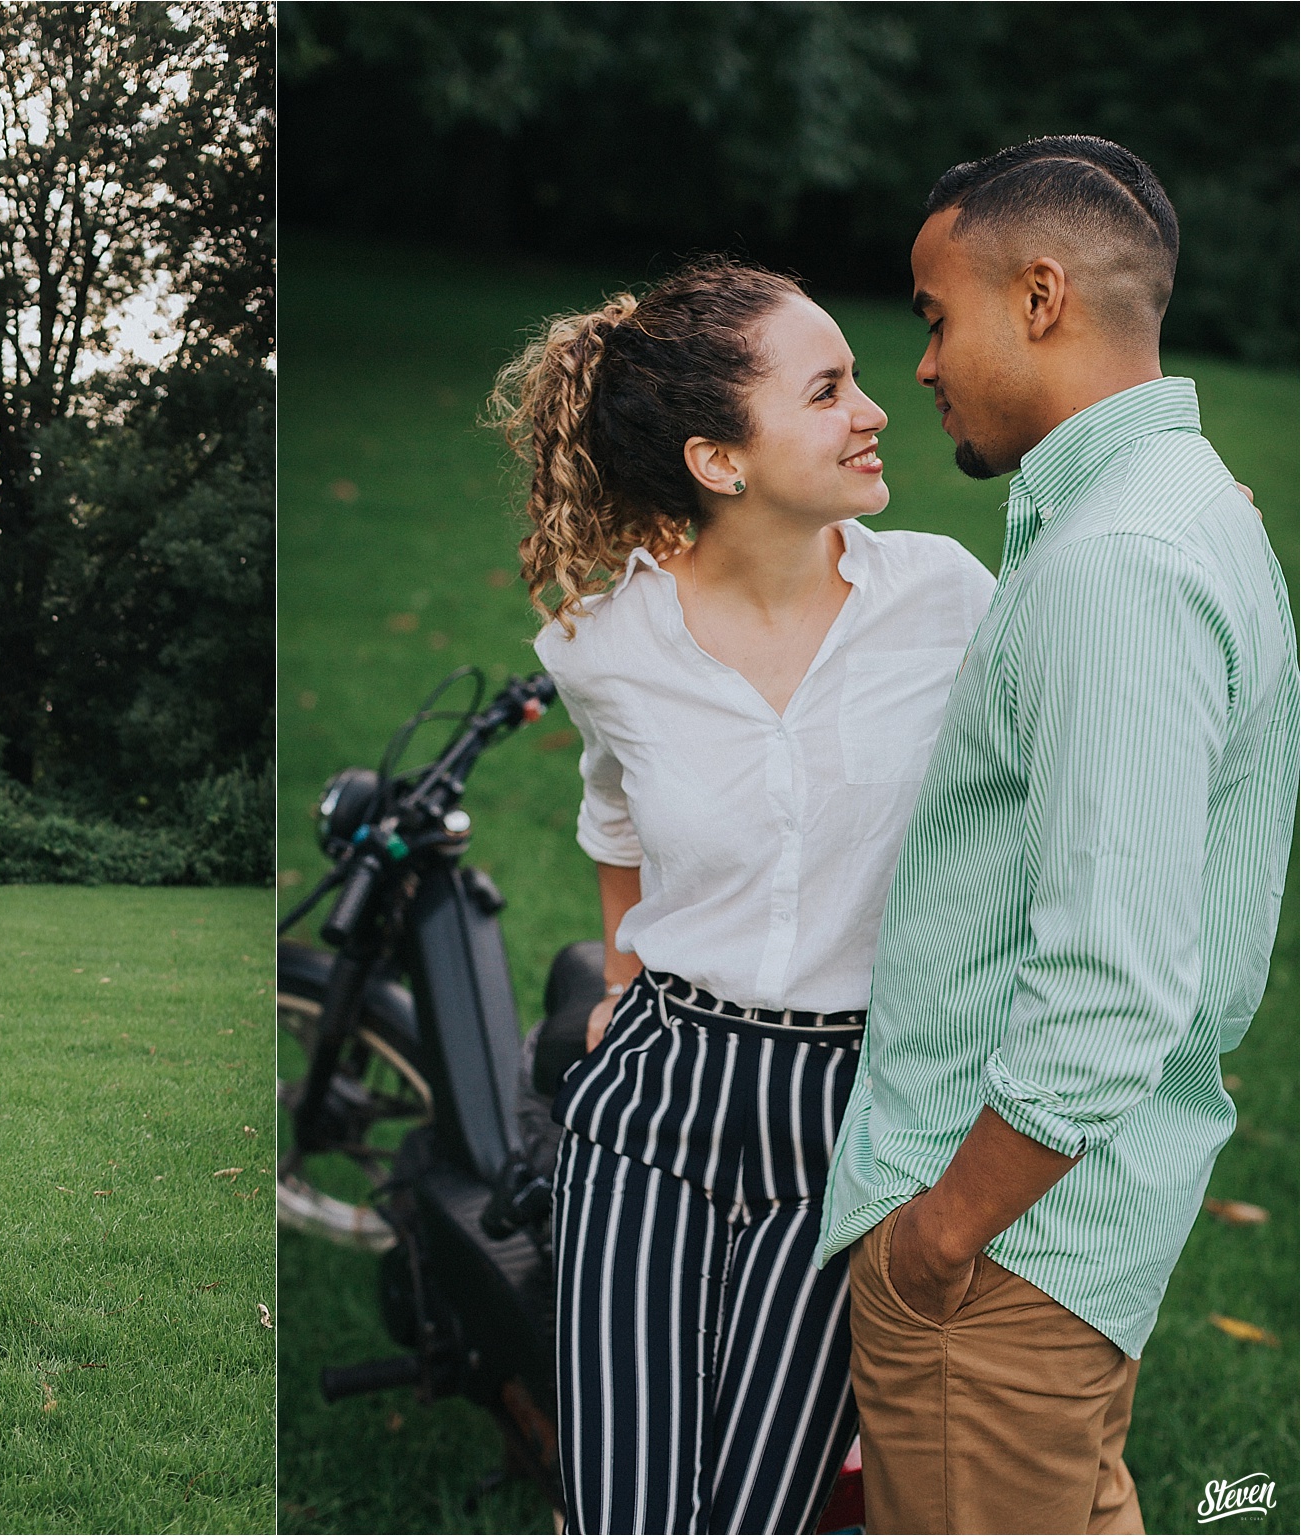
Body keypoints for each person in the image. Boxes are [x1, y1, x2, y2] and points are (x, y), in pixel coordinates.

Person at [818, 136, 1299, 1535]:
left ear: (1038, 299)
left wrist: (935, 1241)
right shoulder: (1172, 511)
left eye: (930, 315)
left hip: (1006, 1253)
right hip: (1064, 1234)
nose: (917, 367)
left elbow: (1110, 983)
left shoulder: (1115, 570)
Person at [504, 257, 997, 1534]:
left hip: (845, 1117)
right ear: (719, 461)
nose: (872, 408)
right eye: (826, 390)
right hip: (656, 1098)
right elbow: (610, 811)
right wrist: (619, 975)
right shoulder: (600, 646)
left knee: (759, 1513)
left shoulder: (948, 601)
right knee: (621, 1508)